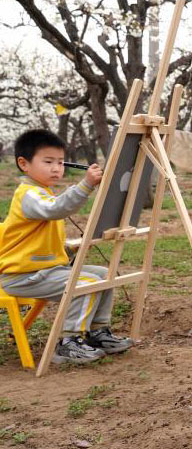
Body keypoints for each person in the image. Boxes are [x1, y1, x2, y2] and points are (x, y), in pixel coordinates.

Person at [0, 129, 133, 364]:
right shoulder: (29, 195)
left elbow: (40, 243)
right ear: (24, 164)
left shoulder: (43, 193)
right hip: (21, 276)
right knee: (86, 283)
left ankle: (97, 332)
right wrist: (86, 185)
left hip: (43, 272)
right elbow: (57, 208)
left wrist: (70, 249)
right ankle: (69, 342)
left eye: (60, 162)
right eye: (48, 162)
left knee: (104, 274)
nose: (56, 168)